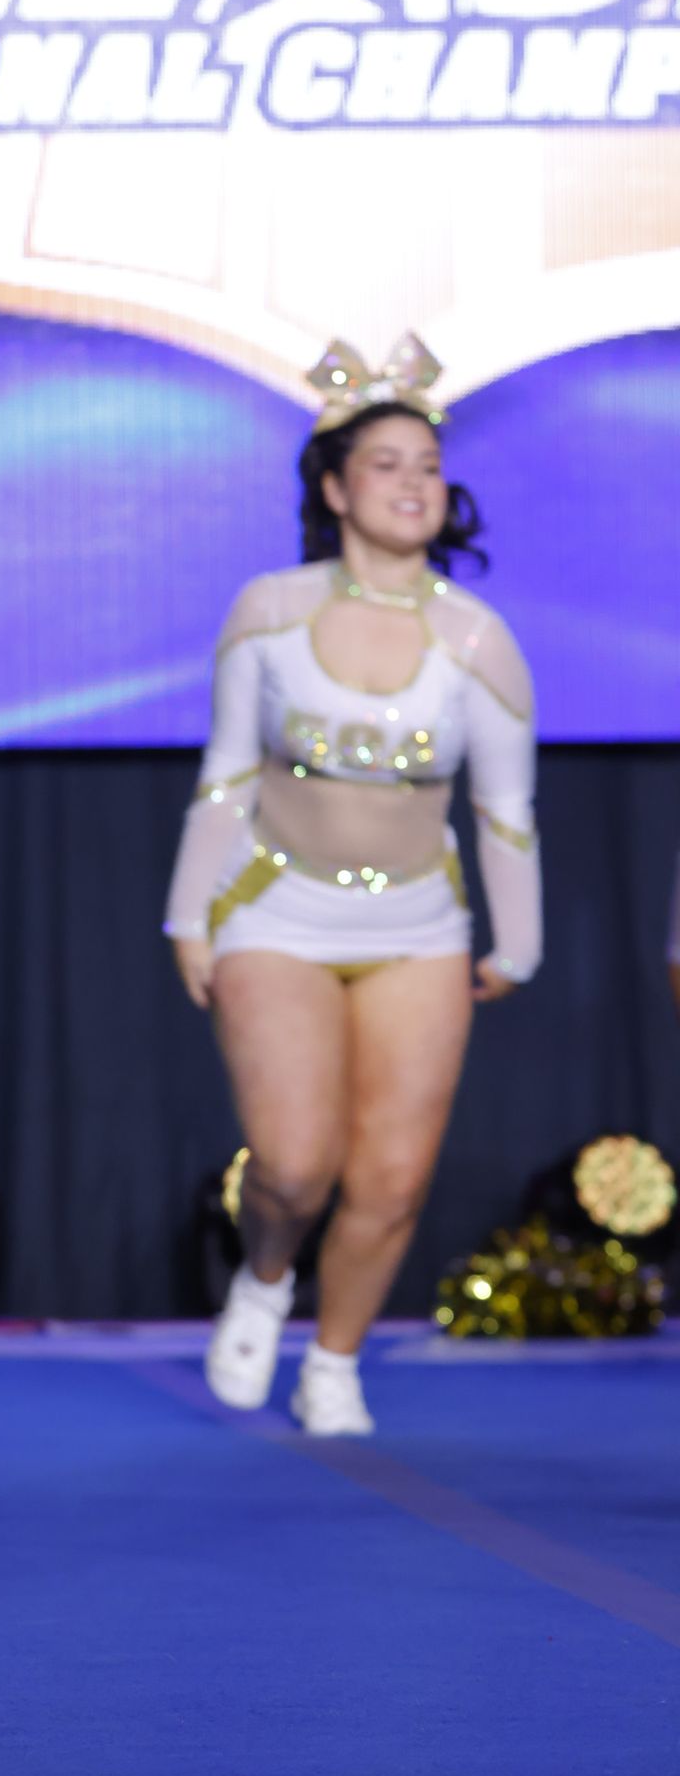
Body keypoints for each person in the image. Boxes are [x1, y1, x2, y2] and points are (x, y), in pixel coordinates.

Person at [164, 336, 540, 1435]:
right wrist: (188, 915)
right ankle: (267, 1272)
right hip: (273, 906)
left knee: (388, 1176)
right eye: (384, 463)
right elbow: (225, 775)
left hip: (419, 920)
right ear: (332, 487)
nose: (411, 482)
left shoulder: (479, 641)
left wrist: (511, 945)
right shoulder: (268, 609)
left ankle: (333, 1362)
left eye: (425, 464)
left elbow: (504, 811)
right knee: (291, 1162)